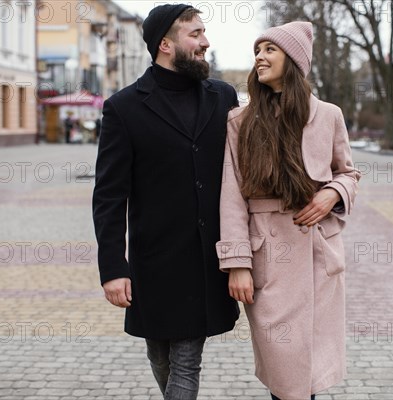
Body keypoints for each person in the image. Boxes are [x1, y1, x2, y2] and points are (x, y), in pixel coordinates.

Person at [92, 4, 239, 399]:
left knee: (187, 361)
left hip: (208, 261)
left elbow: (247, 171)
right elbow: (108, 196)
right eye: (195, 34)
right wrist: (112, 268)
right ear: (165, 45)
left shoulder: (223, 97)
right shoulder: (123, 108)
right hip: (154, 263)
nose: (205, 42)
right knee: (160, 355)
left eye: (204, 32)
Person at [216, 21, 361, 400]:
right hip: (269, 259)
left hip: (318, 255)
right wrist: (237, 264)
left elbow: (348, 173)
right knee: (284, 369)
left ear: (293, 59)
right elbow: (231, 196)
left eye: (269, 50)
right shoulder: (240, 121)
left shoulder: (328, 115)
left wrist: (332, 194)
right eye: (257, 51)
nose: (259, 58)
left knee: (309, 371)